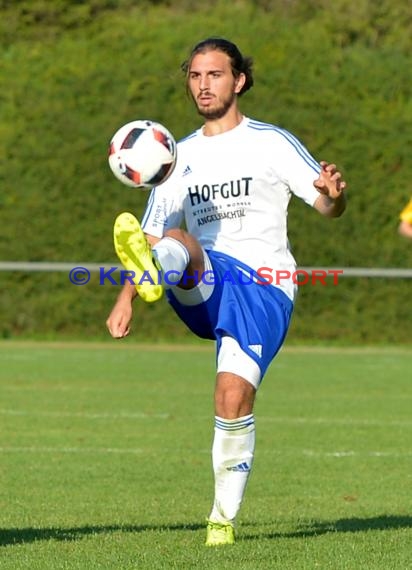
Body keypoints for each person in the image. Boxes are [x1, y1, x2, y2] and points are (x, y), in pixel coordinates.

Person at [106, 37, 347, 546]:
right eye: (195, 76)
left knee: (232, 398)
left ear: (238, 80)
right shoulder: (175, 157)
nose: (202, 85)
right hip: (205, 278)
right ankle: (158, 275)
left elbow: (325, 205)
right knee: (178, 241)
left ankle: (222, 519)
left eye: (214, 75)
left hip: (264, 289)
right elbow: (144, 238)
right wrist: (125, 296)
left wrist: (331, 197)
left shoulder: (271, 142)